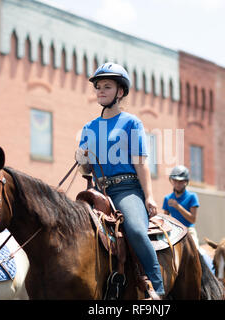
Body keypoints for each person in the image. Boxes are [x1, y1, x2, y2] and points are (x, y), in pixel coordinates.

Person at [76, 62, 165, 299]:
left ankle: (156, 287)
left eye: (107, 86)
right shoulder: (88, 127)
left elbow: (141, 163)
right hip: (98, 192)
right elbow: (85, 168)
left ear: (120, 92)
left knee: (135, 230)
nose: (101, 91)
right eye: (98, 87)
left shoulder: (131, 122)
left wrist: (149, 197)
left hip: (127, 189)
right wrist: (82, 158)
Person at [162, 165, 200, 248]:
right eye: (175, 181)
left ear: (186, 182)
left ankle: (208, 261)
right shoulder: (167, 198)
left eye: (181, 181)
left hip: (189, 230)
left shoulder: (192, 196)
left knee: (197, 250)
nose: (177, 184)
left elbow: (193, 220)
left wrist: (178, 207)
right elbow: (165, 219)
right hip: (173, 231)